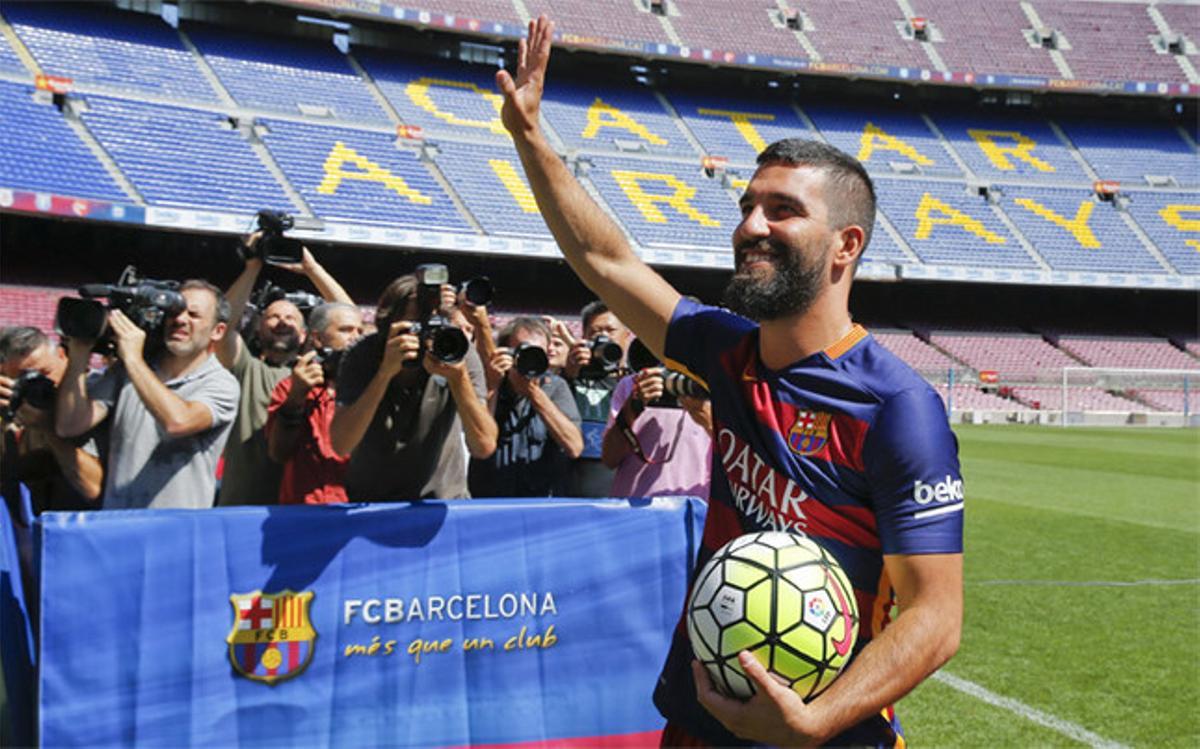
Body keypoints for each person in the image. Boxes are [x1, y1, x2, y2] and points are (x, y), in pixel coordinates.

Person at [496, 16, 962, 746]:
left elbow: (935, 616)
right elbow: (608, 262)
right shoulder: (725, 348)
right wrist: (529, 137)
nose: (751, 224)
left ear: (847, 245)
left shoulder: (898, 407)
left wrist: (813, 722)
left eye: (783, 209)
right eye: (747, 206)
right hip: (700, 716)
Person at [56, 281, 240, 509]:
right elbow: (69, 425)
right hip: (118, 523)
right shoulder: (127, 371)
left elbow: (178, 421)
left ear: (218, 331)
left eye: (194, 315)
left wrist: (133, 358)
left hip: (177, 531)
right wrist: (79, 355)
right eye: (174, 312)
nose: (181, 319)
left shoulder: (221, 383)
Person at [329, 274, 497, 500]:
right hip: (374, 502)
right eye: (418, 326)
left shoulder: (458, 350)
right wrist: (384, 373)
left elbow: (484, 446)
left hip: (441, 502)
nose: (427, 336)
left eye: (434, 325)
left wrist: (459, 380)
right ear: (389, 326)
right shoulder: (364, 354)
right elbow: (341, 444)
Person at [217, 236, 354, 505]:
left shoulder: (319, 377)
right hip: (246, 504)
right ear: (258, 328)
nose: (282, 322)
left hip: (301, 505)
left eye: (291, 317)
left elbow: (349, 322)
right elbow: (221, 327)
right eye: (273, 316)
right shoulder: (247, 369)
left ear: (307, 335)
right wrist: (253, 266)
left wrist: (313, 270)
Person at [469, 317, 582, 497]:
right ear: (506, 351)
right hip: (488, 499)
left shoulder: (555, 386)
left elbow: (574, 446)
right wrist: (492, 386)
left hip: (539, 503)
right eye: (523, 350)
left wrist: (534, 394)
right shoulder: (489, 382)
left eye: (538, 353)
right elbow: (479, 441)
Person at [265, 302, 364, 504]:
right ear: (318, 338)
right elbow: (279, 453)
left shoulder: (370, 388)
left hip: (355, 510)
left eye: (360, 331)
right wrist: (296, 397)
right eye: (345, 330)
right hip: (305, 511)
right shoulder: (290, 387)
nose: (355, 337)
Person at [0, 326, 103, 513]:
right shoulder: (23, 405)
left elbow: (94, 489)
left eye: (43, 373)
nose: (36, 384)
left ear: (63, 355)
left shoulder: (96, 395)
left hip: (93, 526)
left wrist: (46, 427)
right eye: (23, 379)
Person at [602, 363, 713, 501]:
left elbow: (738, 460)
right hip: (633, 512)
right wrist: (633, 406)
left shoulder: (719, 387)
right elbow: (609, 459)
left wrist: (709, 422)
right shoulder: (633, 384)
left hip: (696, 510)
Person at [562, 300, 633, 497]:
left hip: (617, 489)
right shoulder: (567, 377)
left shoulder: (633, 384)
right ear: (583, 336)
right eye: (595, 332)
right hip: (569, 487)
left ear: (626, 337)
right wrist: (569, 372)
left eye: (611, 330)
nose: (603, 337)